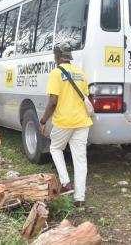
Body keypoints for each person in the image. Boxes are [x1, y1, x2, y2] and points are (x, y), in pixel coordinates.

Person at [39, 42, 93, 208]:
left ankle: (65, 182)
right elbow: (84, 96)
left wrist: (43, 121)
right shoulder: (81, 73)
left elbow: (53, 101)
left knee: (55, 148)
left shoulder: (56, 73)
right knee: (80, 159)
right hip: (82, 121)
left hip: (64, 121)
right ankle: (80, 199)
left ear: (57, 56)